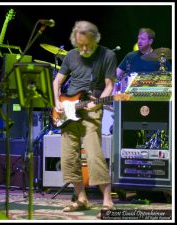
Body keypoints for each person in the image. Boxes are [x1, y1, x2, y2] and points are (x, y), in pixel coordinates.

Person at [52, 20, 116, 219]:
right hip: (68, 110)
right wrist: (57, 102)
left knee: (94, 155)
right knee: (68, 157)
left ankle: (107, 201)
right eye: (81, 45)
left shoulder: (107, 55)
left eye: (88, 44)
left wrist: (97, 103)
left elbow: (109, 87)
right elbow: (57, 82)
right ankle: (81, 198)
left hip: (91, 108)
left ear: (95, 39)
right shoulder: (71, 56)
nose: (85, 48)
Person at [116, 28, 171, 92]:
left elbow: (170, 77)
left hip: (154, 95)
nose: (139, 41)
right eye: (138, 38)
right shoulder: (130, 56)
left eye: (142, 39)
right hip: (131, 96)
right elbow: (117, 74)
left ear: (150, 41)